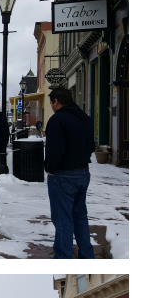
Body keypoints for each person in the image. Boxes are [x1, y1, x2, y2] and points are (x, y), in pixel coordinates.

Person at [44, 86, 95, 259]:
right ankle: (87, 256)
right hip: (83, 173)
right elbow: (92, 145)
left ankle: (63, 258)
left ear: (56, 102)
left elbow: (54, 149)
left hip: (63, 175)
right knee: (80, 217)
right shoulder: (85, 119)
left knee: (62, 220)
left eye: (51, 103)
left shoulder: (58, 120)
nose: (51, 106)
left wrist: (51, 169)